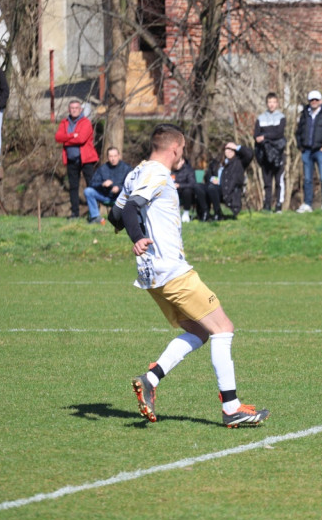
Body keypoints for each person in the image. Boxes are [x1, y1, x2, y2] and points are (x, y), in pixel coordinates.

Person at [111, 123, 269, 428]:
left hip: (151, 275)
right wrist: (138, 236)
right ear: (174, 148)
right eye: (182, 150)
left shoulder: (134, 173)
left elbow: (116, 215)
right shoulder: (156, 174)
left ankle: (150, 379)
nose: (182, 154)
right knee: (223, 327)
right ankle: (232, 408)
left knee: (200, 331)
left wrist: (134, 230)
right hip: (171, 269)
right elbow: (131, 209)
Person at [54, 100, 99, 219]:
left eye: (76, 108)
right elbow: (58, 137)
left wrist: (67, 138)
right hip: (71, 160)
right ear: (69, 110)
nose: (74, 110)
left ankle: (94, 214)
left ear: (80, 110)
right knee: (73, 186)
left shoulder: (86, 123)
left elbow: (81, 139)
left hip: (86, 159)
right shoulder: (64, 123)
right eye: (72, 108)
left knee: (90, 186)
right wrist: (72, 135)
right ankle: (75, 213)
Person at [294, 90, 322, 212]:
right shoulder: (304, 114)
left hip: (320, 150)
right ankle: (308, 204)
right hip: (306, 151)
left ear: (320, 101)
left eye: (316, 100)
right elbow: (298, 132)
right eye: (312, 100)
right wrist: (300, 146)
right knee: (307, 179)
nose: (314, 102)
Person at [254, 92, 287, 213]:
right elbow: (256, 135)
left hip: (278, 153)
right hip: (265, 154)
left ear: (277, 103)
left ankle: (279, 204)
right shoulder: (260, 118)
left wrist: (265, 136)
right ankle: (267, 205)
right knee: (267, 182)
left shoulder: (281, 117)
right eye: (269, 102)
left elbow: (279, 134)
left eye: (274, 102)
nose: (271, 105)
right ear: (266, 103)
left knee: (279, 181)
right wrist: (264, 138)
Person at [196, 143, 245, 220]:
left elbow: (249, 154)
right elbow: (207, 175)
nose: (229, 151)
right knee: (198, 186)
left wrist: (236, 147)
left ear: (235, 151)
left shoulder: (238, 162)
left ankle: (217, 212)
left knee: (211, 188)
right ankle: (205, 212)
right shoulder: (217, 162)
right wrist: (212, 179)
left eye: (232, 150)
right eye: (227, 149)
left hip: (227, 189)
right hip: (212, 187)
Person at [84, 146, 132, 224]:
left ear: (119, 156)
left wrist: (119, 188)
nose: (113, 159)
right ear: (107, 157)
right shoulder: (102, 168)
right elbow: (92, 183)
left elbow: (132, 185)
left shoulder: (127, 169)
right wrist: (102, 184)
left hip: (120, 197)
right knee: (88, 191)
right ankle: (95, 217)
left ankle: (127, 218)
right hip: (105, 195)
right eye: (110, 156)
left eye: (115, 156)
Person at [171, 156, 197, 222]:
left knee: (187, 191)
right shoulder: (170, 170)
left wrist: (179, 185)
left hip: (185, 192)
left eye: (178, 162)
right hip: (172, 191)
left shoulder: (189, 170)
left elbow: (192, 184)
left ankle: (186, 213)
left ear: (183, 161)